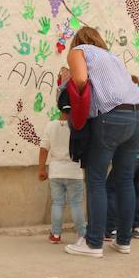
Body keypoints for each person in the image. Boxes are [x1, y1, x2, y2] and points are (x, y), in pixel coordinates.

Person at [63, 27, 139, 258]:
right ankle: (123, 241)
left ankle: (93, 243)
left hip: (112, 116)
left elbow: (80, 79)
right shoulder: (112, 57)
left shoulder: (78, 51)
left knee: (96, 179)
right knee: (124, 179)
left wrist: (71, 85)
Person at [106, 76, 139, 241]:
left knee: (112, 188)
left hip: (133, 153)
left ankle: (111, 228)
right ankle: (138, 227)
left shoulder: (123, 110)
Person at [39, 75, 86, 244]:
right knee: (75, 204)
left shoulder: (51, 126)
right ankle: (82, 234)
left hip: (56, 172)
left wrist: (41, 169)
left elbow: (43, 148)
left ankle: (56, 234)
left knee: (57, 203)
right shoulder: (79, 127)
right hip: (74, 171)